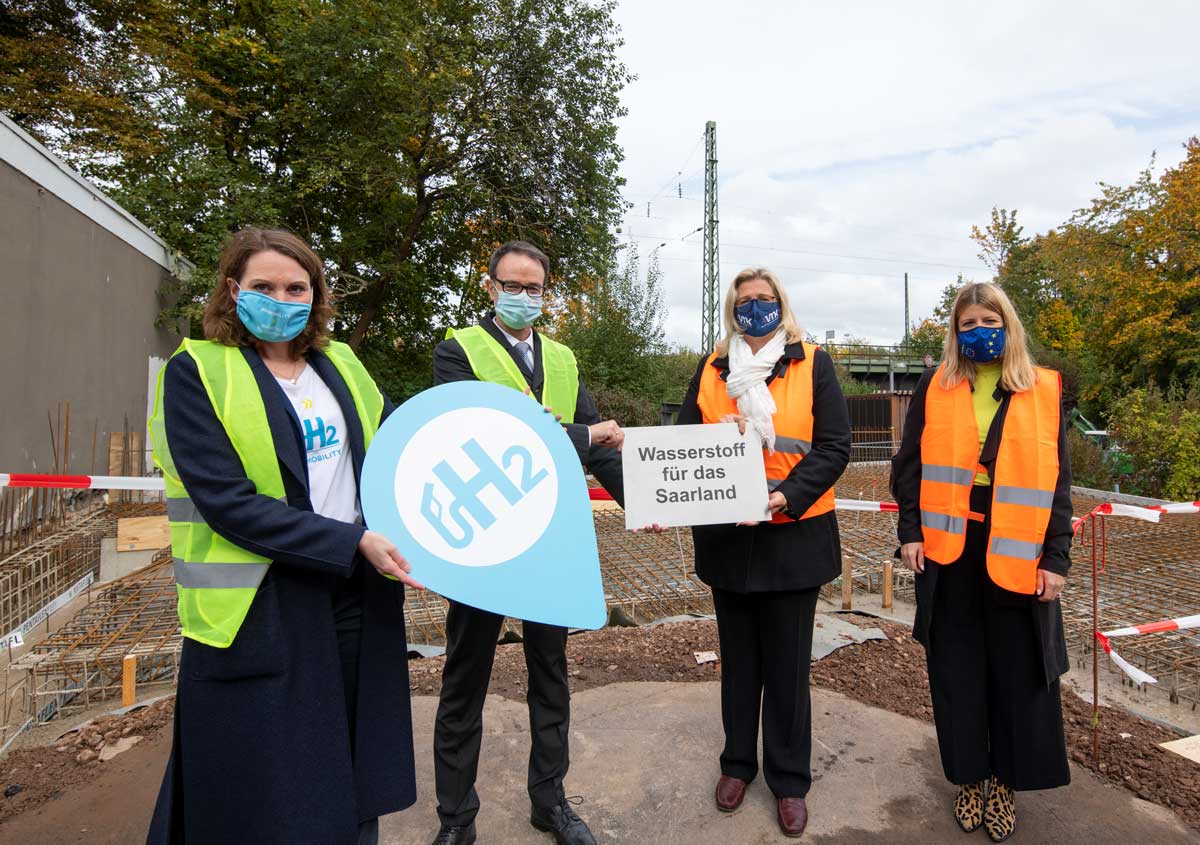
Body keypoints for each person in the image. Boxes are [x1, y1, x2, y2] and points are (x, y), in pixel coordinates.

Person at [146, 228, 423, 845]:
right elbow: (228, 504)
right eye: (264, 286)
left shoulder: (341, 365)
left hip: (355, 593)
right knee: (270, 783)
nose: (282, 298)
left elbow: (393, 456)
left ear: (316, 295)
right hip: (259, 603)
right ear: (232, 291)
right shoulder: (197, 372)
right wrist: (348, 541)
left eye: (296, 287)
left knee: (354, 759)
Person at [429, 240, 625, 845]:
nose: (521, 297)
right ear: (488, 287)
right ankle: (456, 820)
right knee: (465, 678)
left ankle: (551, 803)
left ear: (546, 292)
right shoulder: (457, 351)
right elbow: (483, 432)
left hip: (552, 539)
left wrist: (643, 501)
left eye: (533, 288)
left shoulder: (563, 359)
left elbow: (600, 449)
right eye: (510, 286)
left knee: (551, 673)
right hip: (485, 544)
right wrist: (583, 433)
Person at [890, 282, 1072, 843]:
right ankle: (969, 778)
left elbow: (1059, 480)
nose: (977, 332)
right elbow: (909, 465)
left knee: (1018, 675)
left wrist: (1057, 558)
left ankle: (1004, 783)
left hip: (1019, 552)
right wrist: (909, 532)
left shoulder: (1042, 388)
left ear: (1008, 323)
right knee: (957, 672)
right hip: (950, 549)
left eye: (987, 321)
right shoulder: (937, 384)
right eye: (966, 324)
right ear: (955, 332)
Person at [677, 267, 851, 839]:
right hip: (730, 540)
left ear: (781, 304)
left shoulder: (812, 361)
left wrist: (784, 497)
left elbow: (833, 448)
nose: (755, 308)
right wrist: (666, 501)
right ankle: (736, 765)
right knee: (739, 664)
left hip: (792, 535)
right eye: (745, 300)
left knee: (787, 668)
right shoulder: (712, 367)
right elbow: (682, 442)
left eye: (765, 299)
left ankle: (789, 780)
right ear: (732, 308)